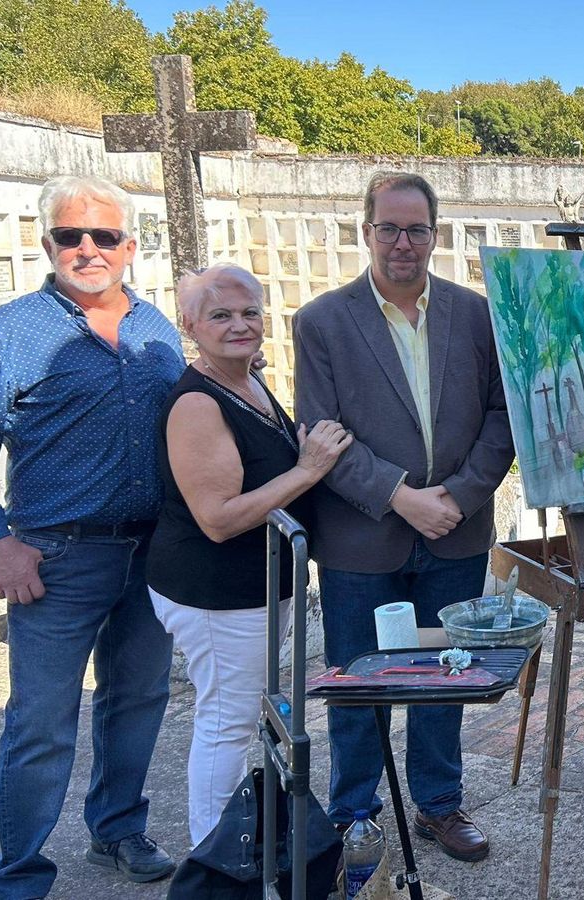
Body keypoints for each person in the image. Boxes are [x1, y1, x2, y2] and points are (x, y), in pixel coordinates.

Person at [293, 171, 513, 862]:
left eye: (416, 229)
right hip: (363, 537)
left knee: (447, 673)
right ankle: (354, 810)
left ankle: (439, 805)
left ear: (434, 235)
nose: (402, 243)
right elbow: (317, 428)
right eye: (388, 228)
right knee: (359, 680)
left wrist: (459, 495)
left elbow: (504, 416)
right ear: (367, 232)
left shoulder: (476, 315)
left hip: (456, 530)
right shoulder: (322, 321)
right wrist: (399, 496)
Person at [0, 176, 186, 897]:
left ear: (129, 247)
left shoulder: (159, 330)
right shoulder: (8, 333)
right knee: (40, 723)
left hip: (152, 552)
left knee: (137, 698)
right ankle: (20, 876)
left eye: (104, 236)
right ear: (49, 244)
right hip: (55, 557)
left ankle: (118, 830)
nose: (88, 249)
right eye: (72, 236)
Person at [145, 264, 351, 846]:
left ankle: (242, 846)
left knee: (244, 721)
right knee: (226, 726)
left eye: (250, 313)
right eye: (221, 315)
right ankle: (215, 862)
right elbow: (218, 518)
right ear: (190, 325)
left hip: (257, 590)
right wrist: (308, 469)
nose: (240, 325)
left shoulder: (248, 382)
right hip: (217, 593)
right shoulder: (197, 404)